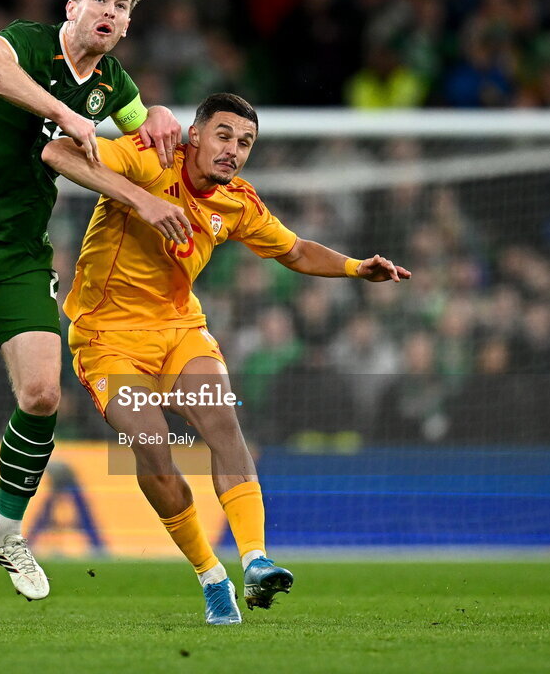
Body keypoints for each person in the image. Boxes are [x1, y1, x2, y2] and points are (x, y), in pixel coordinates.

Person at [42, 92, 411, 625]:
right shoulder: (147, 157)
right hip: (107, 338)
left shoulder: (238, 202)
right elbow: (58, 155)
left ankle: (256, 560)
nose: (233, 150)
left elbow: (296, 250)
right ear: (194, 134)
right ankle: (211, 576)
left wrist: (356, 268)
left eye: (245, 142)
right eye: (223, 135)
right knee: (153, 450)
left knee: (221, 421)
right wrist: (140, 199)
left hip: (178, 330)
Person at [0, 0, 191, 625]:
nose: (109, 11)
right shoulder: (27, 43)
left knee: (41, 393)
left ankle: (3, 535)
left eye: (121, 5)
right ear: (72, 5)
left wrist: (163, 115)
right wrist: (64, 112)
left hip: (20, 250)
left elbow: (145, 128)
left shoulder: (113, 84)